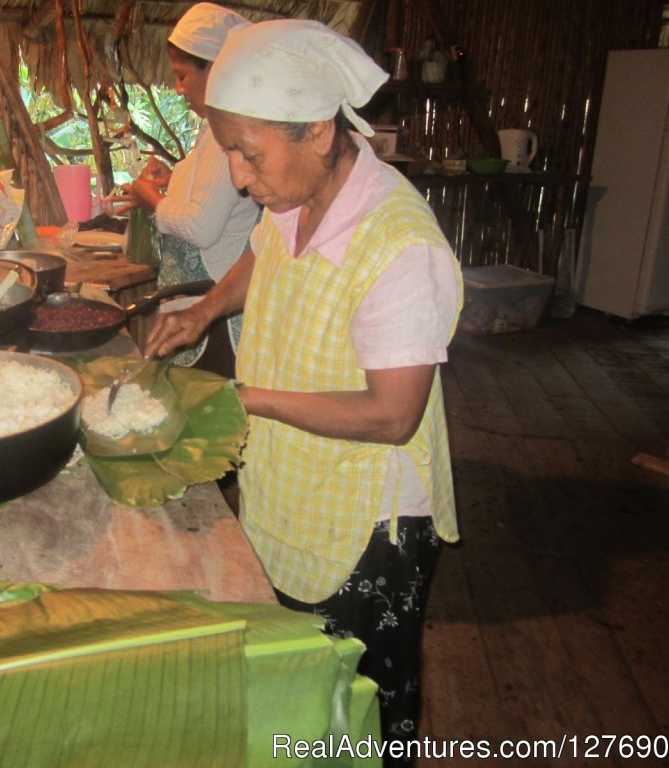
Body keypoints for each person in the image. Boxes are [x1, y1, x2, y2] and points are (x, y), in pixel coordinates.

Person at [144, 19, 463, 767]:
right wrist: (203, 309)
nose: (243, 177)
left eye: (249, 155)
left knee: (360, 707)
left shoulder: (398, 246)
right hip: (294, 483)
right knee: (296, 689)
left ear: (319, 132)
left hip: (367, 525)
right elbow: (259, 253)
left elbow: (392, 415)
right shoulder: (294, 196)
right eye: (231, 154)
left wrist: (246, 399)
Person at [118, 2, 260, 376]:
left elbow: (201, 226)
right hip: (206, 305)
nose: (178, 88)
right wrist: (174, 178)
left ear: (215, 69)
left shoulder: (220, 133)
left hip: (215, 313)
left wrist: (151, 200)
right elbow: (214, 195)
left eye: (183, 76)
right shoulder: (212, 129)